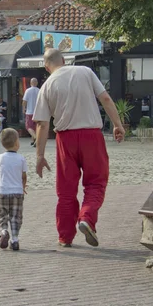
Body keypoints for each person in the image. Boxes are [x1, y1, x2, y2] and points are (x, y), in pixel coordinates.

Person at [33, 48, 125, 248]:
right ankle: (87, 218)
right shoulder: (84, 71)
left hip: (65, 139)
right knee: (96, 183)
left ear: (47, 67)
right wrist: (117, 124)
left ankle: (65, 236)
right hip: (91, 135)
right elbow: (106, 99)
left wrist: (40, 156)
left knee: (65, 191)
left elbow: (42, 124)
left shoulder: (47, 86)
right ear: (64, 60)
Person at [0, 128, 28, 251]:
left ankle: (3, 231)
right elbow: (23, 176)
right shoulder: (21, 158)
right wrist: (23, 186)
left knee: (2, 214)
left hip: (1, 191)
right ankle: (14, 240)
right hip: (17, 192)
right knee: (16, 217)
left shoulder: (0, 158)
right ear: (17, 143)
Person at [22, 78, 40, 147]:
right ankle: (33, 141)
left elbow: (24, 101)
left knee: (28, 126)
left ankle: (36, 138)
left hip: (29, 111)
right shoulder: (39, 90)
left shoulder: (28, 90)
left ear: (30, 83)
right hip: (37, 112)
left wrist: (23, 108)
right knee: (35, 127)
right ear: (37, 83)